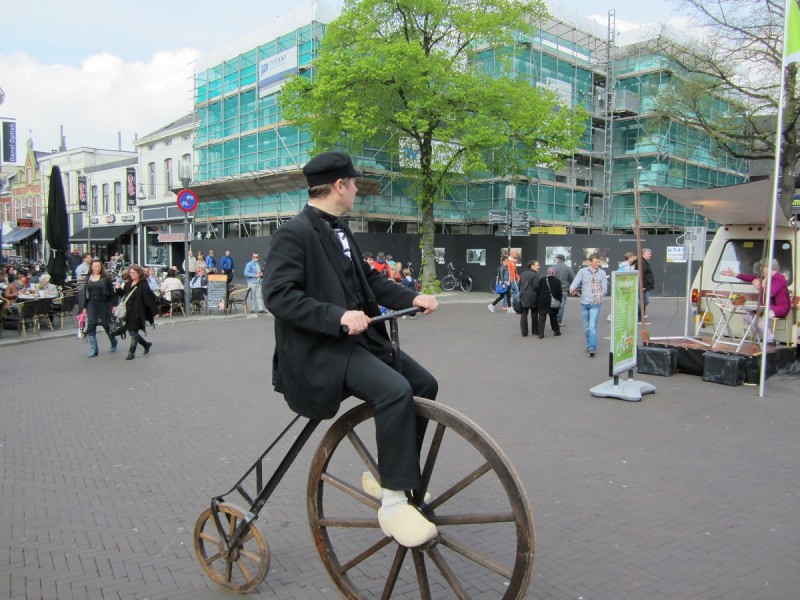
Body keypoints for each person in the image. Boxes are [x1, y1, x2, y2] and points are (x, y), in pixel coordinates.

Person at [263, 150, 440, 548]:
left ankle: (389, 476)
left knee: (424, 384)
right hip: (322, 351)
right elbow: (278, 296)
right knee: (394, 390)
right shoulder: (294, 233)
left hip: (359, 341)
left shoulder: (340, 230)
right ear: (340, 186)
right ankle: (394, 506)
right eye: (355, 183)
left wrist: (413, 297)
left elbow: (370, 284)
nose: (357, 189)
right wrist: (337, 317)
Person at [721, 259, 791, 343]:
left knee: (759, 317)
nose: (761, 268)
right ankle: (759, 337)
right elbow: (749, 278)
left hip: (779, 308)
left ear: (770, 268)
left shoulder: (779, 278)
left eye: (763, 267)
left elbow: (771, 292)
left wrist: (758, 286)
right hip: (765, 307)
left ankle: (770, 340)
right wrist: (733, 274)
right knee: (746, 315)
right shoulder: (764, 277)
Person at [569, 253, 608, 357]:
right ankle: (589, 343)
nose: (597, 264)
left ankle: (592, 347)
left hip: (595, 303)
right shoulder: (583, 271)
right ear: (590, 262)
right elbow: (576, 281)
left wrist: (600, 295)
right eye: (595, 262)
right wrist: (572, 288)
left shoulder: (602, 273)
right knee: (586, 327)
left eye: (598, 262)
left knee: (592, 326)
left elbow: (604, 288)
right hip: (584, 302)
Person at [116, 264, 157, 360]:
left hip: (138, 312)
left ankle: (131, 353)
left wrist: (154, 311)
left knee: (133, 333)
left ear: (139, 273)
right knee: (131, 331)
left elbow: (149, 299)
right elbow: (123, 295)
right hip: (128, 312)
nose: (132, 274)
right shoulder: (127, 284)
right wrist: (118, 289)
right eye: (130, 273)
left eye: (134, 273)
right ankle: (146, 344)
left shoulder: (143, 285)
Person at [79, 259, 118, 357]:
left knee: (106, 325)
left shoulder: (106, 278)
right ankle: (94, 349)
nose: (97, 268)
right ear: (91, 267)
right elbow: (85, 294)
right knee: (91, 324)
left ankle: (113, 341)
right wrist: (84, 307)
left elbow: (112, 292)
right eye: (95, 266)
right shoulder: (88, 278)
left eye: (98, 266)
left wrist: (114, 305)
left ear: (101, 267)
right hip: (91, 303)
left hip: (103, 303)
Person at [537, 267, 563, 338]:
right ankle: (556, 331)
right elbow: (559, 292)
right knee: (553, 317)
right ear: (554, 272)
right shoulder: (557, 281)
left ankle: (540, 333)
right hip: (553, 301)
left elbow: (538, 290)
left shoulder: (542, 280)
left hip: (542, 301)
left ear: (547, 272)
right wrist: (559, 300)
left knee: (542, 317)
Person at [518, 260, 541, 337]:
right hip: (533, 297)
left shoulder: (523, 273)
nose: (539, 267)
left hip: (524, 296)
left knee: (524, 314)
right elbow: (536, 286)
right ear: (532, 266)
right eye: (537, 265)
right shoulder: (535, 274)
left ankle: (524, 332)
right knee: (534, 314)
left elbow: (520, 285)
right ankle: (535, 331)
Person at [552, 254, 574, 327]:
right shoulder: (568, 268)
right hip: (563, 290)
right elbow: (572, 279)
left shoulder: (553, 267)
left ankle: (553, 320)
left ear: (558, 259)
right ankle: (559, 321)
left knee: (553, 304)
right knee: (561, 305)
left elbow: (548, 278)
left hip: (554, 289)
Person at [634, 248, 654, 324]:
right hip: (643, 287)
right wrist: (642, 286)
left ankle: (640, 318)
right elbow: (640, 275)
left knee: (644, 302)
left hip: (646, 287)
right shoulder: (641, 262)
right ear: (644, 254)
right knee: (642, 302)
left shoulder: (644, 262)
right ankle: (639, 318)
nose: (650, 255)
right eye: (649, 254)